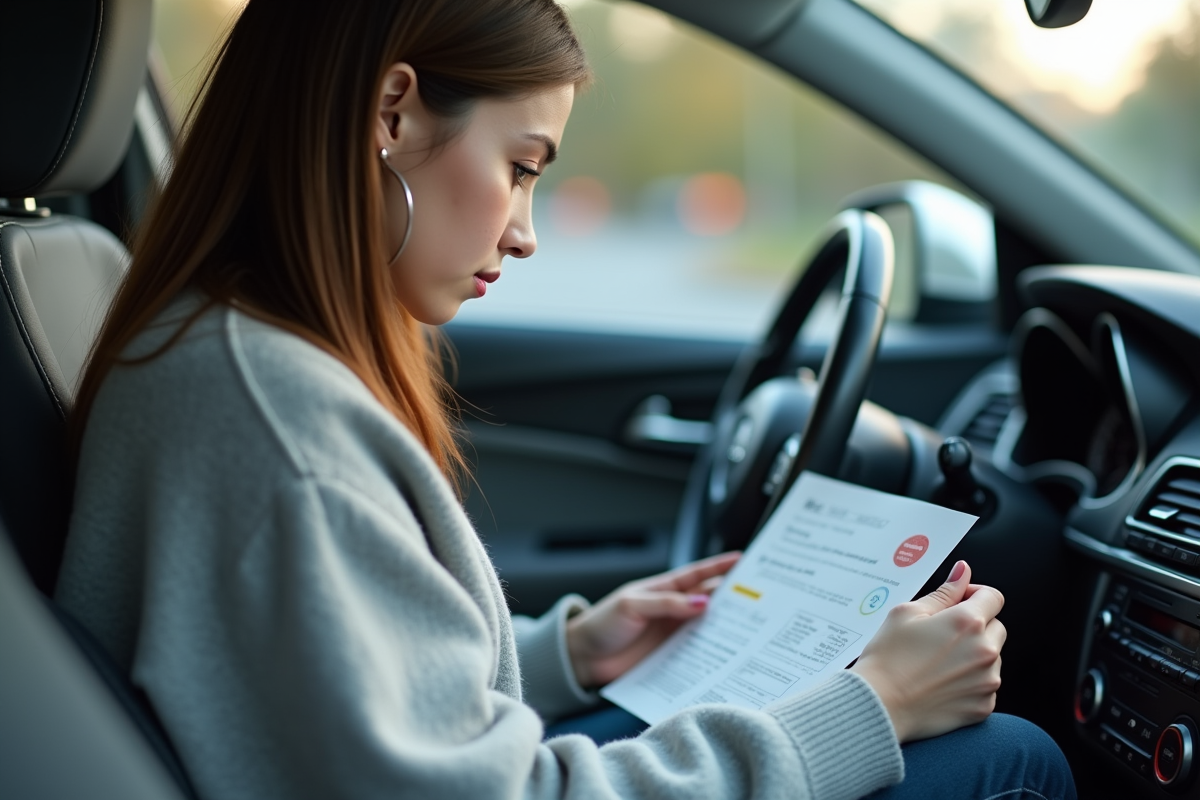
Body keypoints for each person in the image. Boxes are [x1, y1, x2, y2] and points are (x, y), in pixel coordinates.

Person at [54, 1, 1076, 799]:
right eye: (520, 167)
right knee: (1008, 757)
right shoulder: (279, 424)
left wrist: (569, 652)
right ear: (391, 113)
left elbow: (341, 705)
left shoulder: (226, 349)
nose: (525, 231)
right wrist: (874, 702)